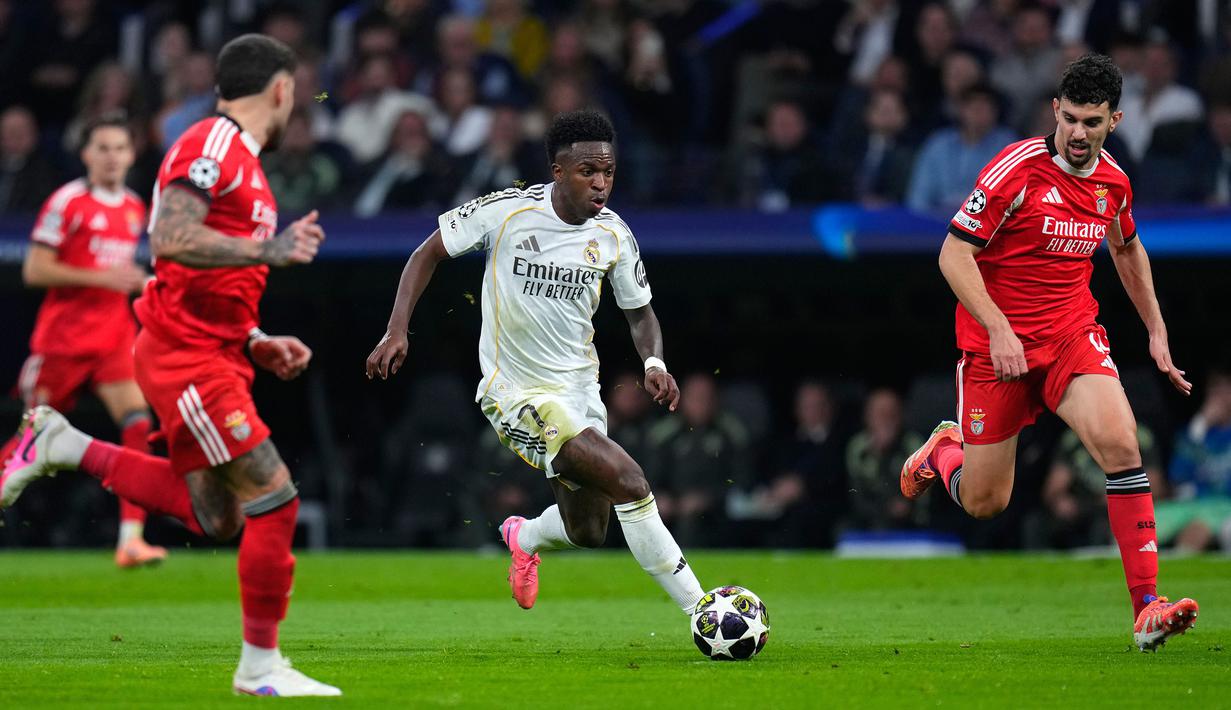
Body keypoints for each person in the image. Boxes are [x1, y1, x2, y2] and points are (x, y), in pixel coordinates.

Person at [0, 35, 339, 696]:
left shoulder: (241, 161)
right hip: (184, 355)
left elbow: (208, 282)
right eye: (294, 91)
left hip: (215, 349)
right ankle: (260, 668)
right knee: (275, 497)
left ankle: (64, 444)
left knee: (219, 517)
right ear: (280, 89)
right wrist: (270, 249)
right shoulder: (211, 145)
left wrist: (255, 339)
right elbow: (171, 239)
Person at [900, 54, 1199, 652]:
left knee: (1121, 444)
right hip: (995, 348)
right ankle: (947, 449)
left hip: (1070, 337)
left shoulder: (1114, 181)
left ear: (1114, 120)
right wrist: (1000, 328)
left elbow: (1127, 250)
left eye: (1093, 122)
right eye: (1070, 120)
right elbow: (952, 255)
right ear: (1053, 112)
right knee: (987, 502)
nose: (1079, 133)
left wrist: (1156, 331)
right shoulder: (1015, 170)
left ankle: (1147, 609)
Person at [366, 109, 705, 617]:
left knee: (588, 530)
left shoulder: (613, 233)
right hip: (516, 393)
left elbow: (640, 314)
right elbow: (426, 253)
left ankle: (523, 536)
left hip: (579, 392)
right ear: (558, 171)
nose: (601, 184)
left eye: (608, 173)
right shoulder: (505, 211)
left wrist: (654, 362)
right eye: (588, 172)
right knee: (631, 481)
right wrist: (397, 329)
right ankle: (704, 610)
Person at [0, 114, 164, 567]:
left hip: (113, 340)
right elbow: (34, 269)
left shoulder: (134, 206)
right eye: (103, 148)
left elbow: (122, 274)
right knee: (31, 440)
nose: (112, 157)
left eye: (120, 148)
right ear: (86, 154)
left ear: (131, 155)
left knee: (137, 422)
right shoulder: (67, 202)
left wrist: (136, 284)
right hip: (63, 342)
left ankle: (130, 538)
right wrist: (106, 277)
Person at [1160, 369, 1231, 552]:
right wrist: (1199, 428)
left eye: (1225, 388)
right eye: (1214, 389)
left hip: (1223, 503)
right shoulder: (1193, 432)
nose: (1218, 396)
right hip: (1189, 503)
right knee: (1142, 525)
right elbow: (1177, 476)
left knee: (1195, 532)